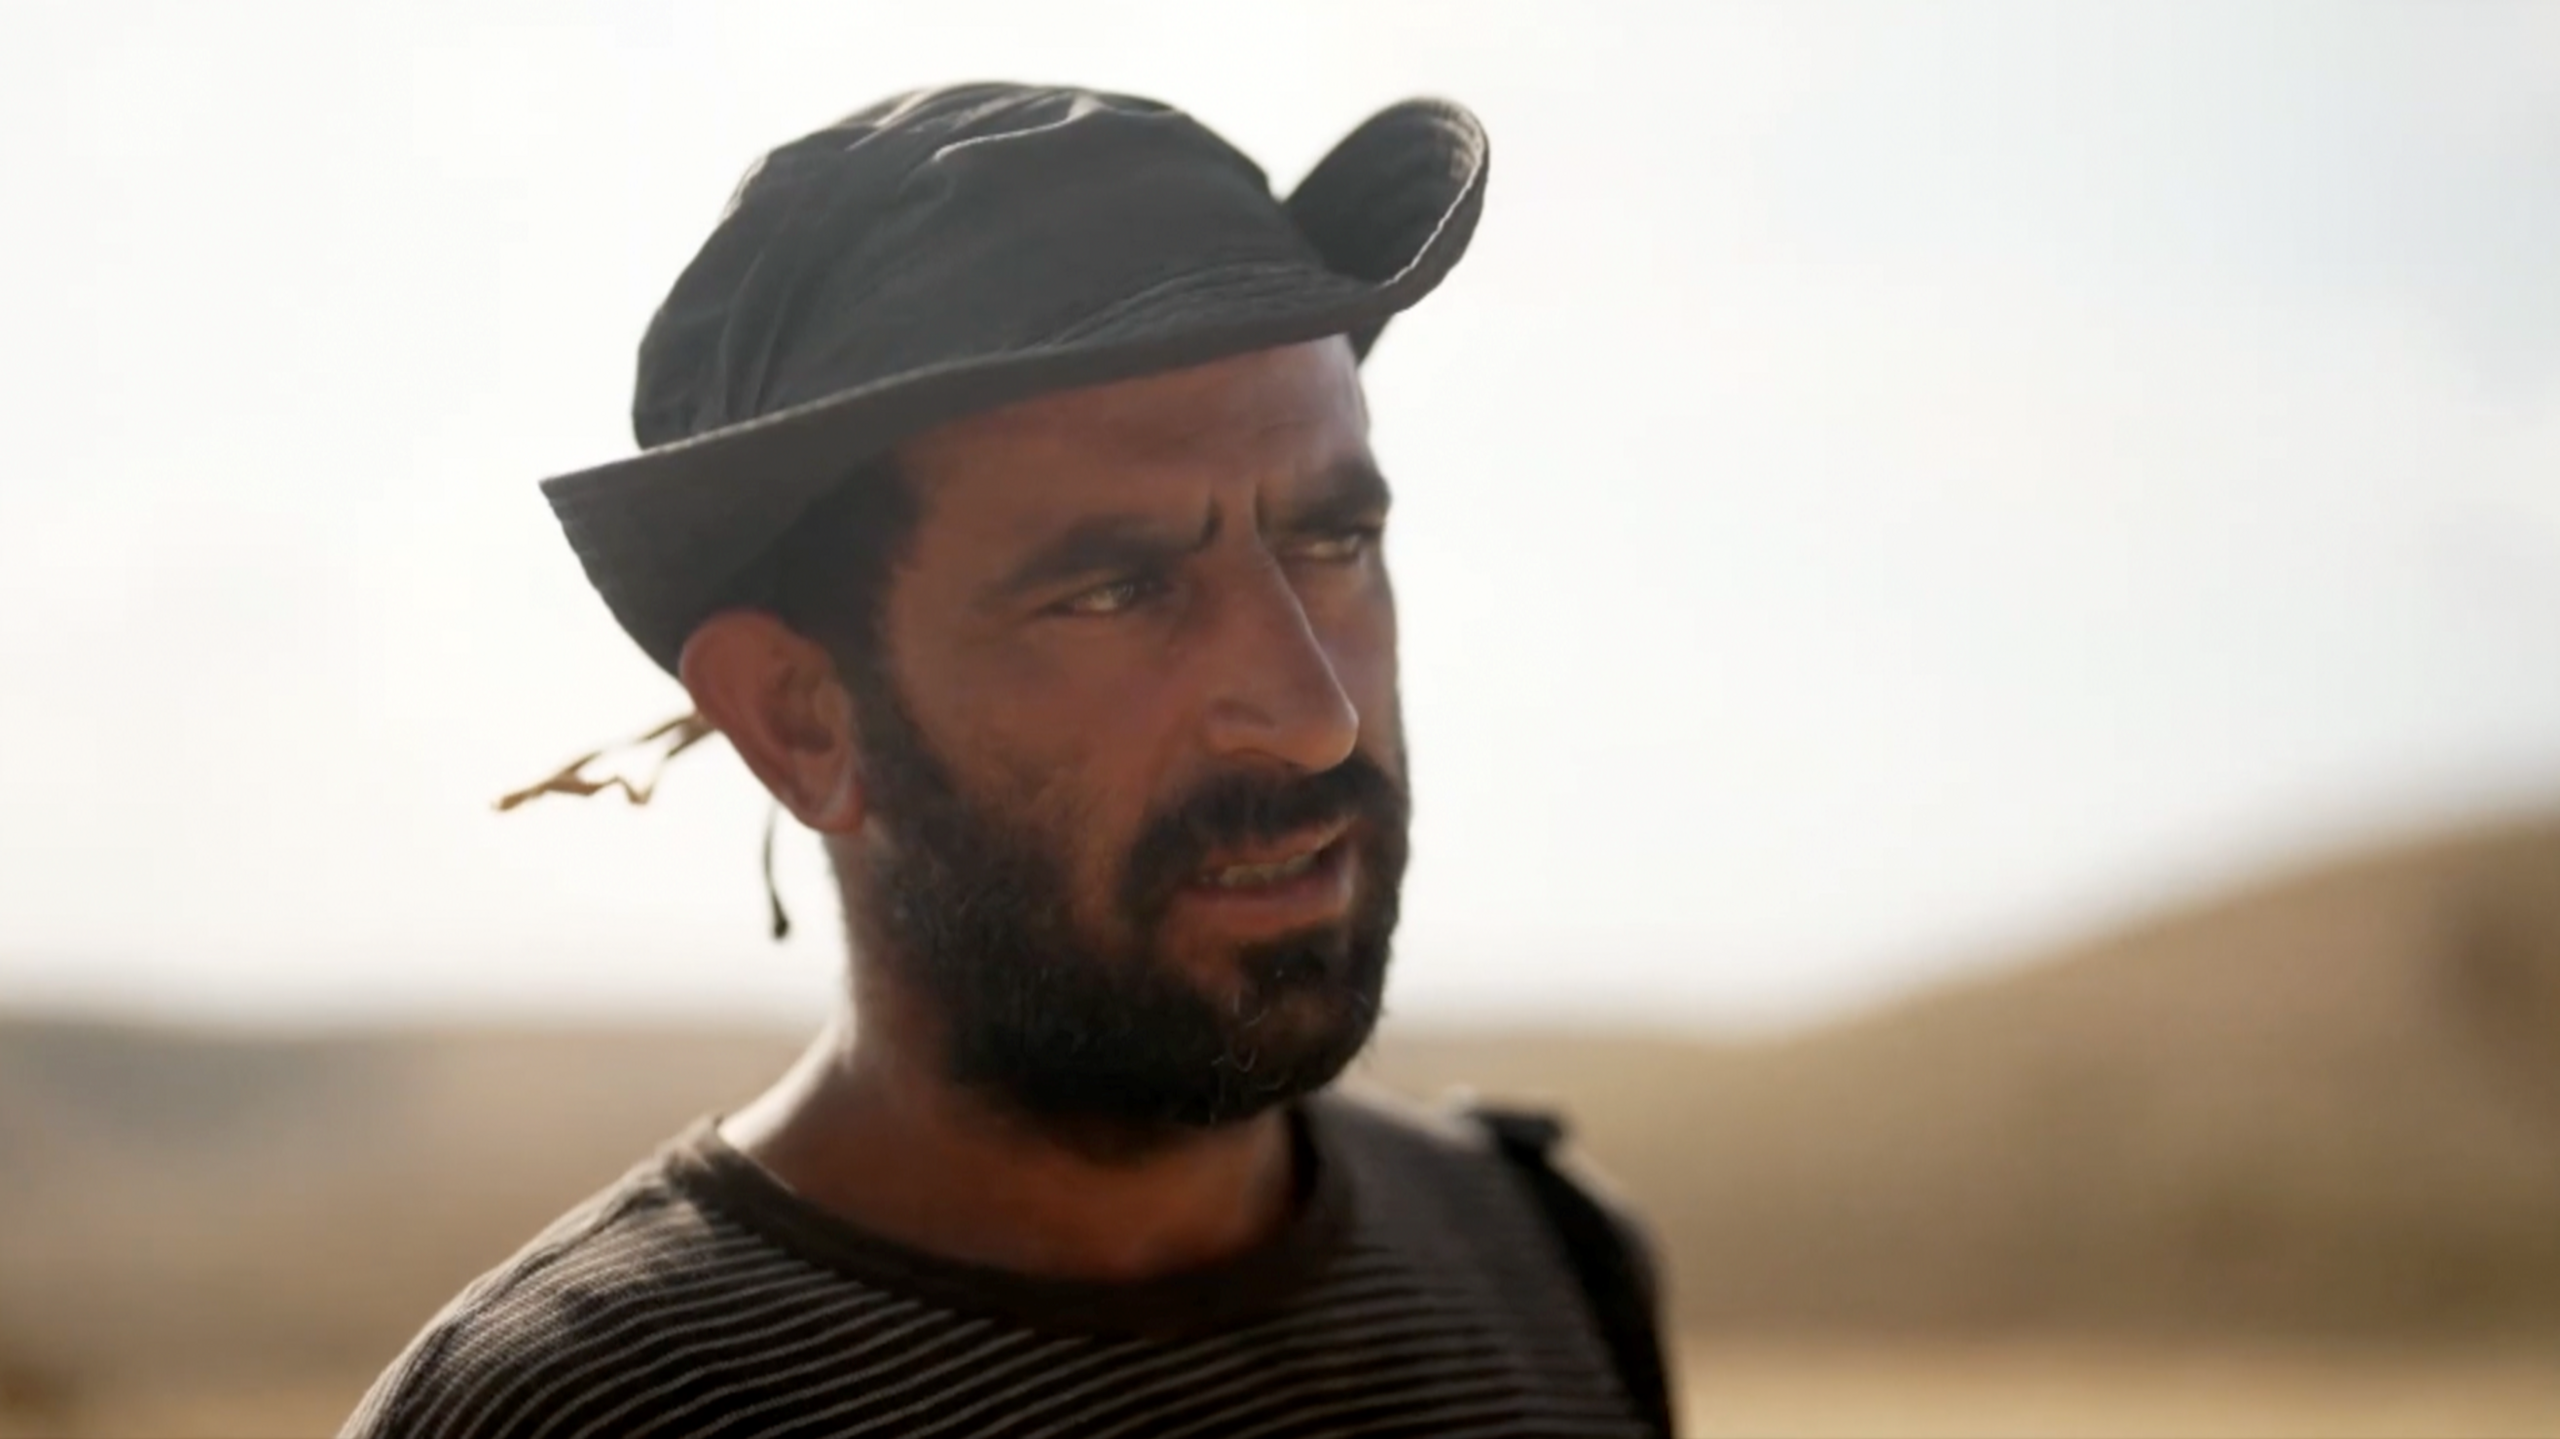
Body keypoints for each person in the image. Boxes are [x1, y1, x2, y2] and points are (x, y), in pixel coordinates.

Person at [344, 82, 1671, 1439]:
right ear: (801, 719)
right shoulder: (575, 1412)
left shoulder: (1546, 1261)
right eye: (1114, 590)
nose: (1312, 713)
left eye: (1332, 544)